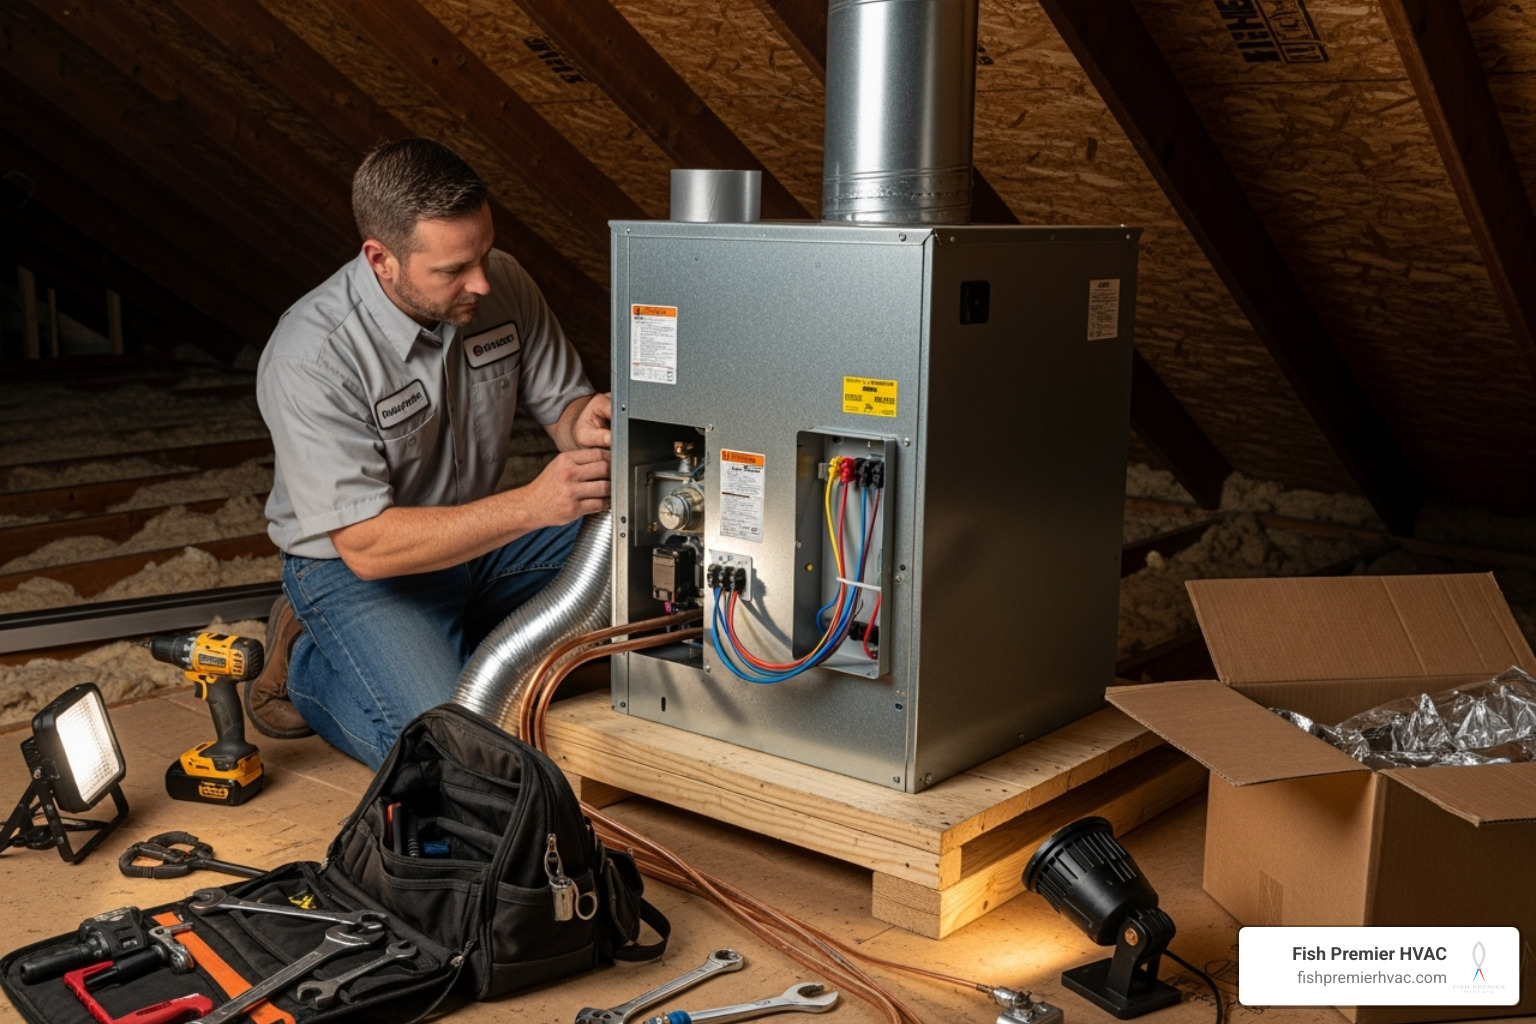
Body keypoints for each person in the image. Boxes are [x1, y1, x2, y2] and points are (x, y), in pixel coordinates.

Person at [249, 138, 611, 768]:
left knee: (642, 553)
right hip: (362, 570)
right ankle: (309, 665)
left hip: (479, 543)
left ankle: (452, 642)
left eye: (484, 253)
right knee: (455, 754)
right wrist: (533, 505)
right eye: (451, 271)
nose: (482, 281)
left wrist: (592, 424)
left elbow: (564, 410)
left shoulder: (503, 284)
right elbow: (366, 545)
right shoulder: (311, 355)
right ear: (380, 259)